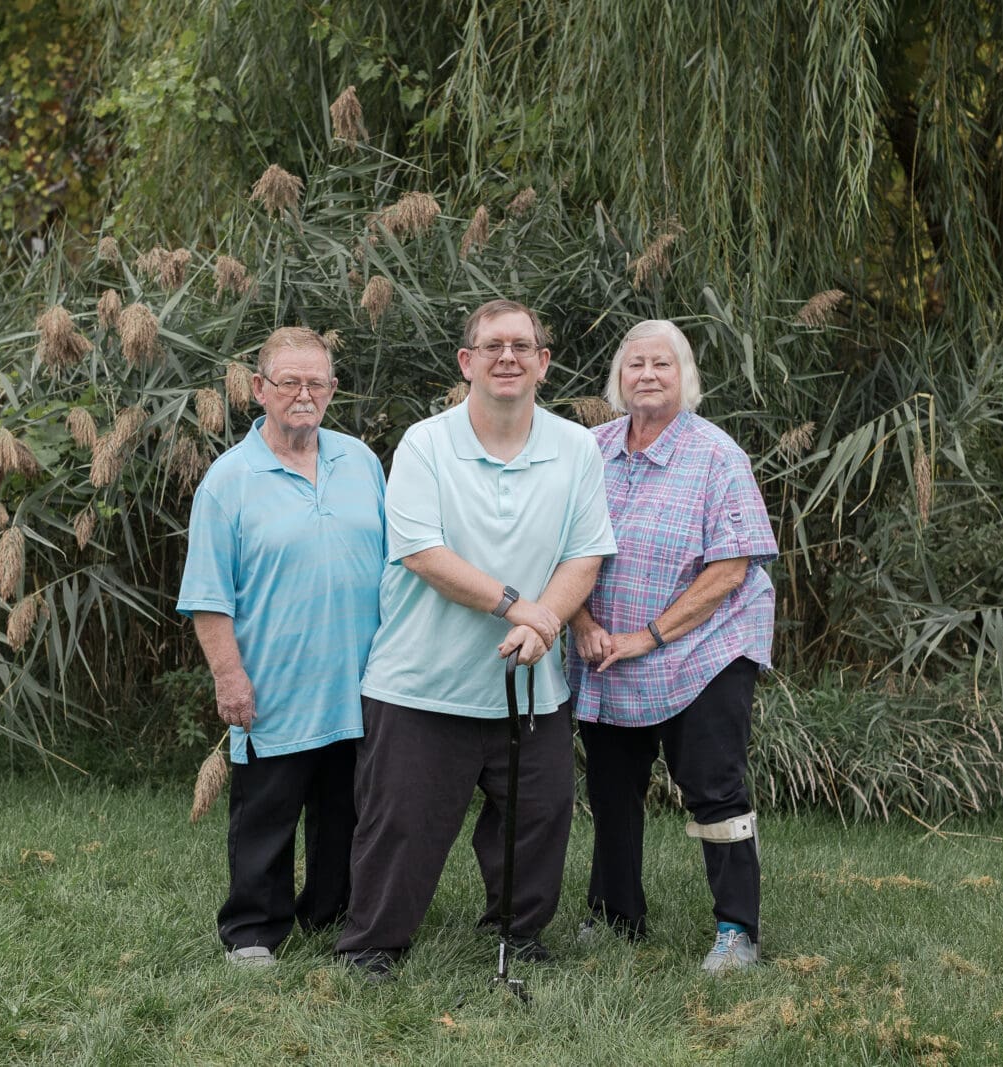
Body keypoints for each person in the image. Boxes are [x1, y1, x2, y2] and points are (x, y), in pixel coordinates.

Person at [334, 299, 617, 980]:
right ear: (467, 363)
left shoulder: (576, 447)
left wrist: (545, 621)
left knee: (541, 816)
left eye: (522, 344)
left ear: (544, 364)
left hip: (529, 684)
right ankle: (372, 945)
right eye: (492, 345)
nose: (508, 356)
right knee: (402, 823)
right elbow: (424, 553)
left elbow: (586, 554)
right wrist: (528, 611)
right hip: (423, 680)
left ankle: (518, 933)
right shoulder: (425, 443)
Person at [567, 319, 779, 973]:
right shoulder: (588, 451)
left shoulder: (717, 455)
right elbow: (556, 547)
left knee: (713, 785)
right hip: (607, 648)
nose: (649, 375)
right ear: (617, 379)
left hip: (705, 644)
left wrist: (648, 636)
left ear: (684, 377)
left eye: (663, 363)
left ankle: (737, 929)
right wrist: (581, 625)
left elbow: (732, 567)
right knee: (610, 787)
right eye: (636, 365)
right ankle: (614, 914)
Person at [176, 326, 386, 967]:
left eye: (316, 382)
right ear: (259, 391)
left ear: (332, 390)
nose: (304, 394)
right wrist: (229, 677)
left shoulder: (361, 461)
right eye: (289, 382)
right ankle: (253, 932)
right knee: (266, 816)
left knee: (346, 811)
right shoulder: (228, 481)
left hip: (357, 679)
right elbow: (209, 597)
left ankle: (330, 911)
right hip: (272, 685)